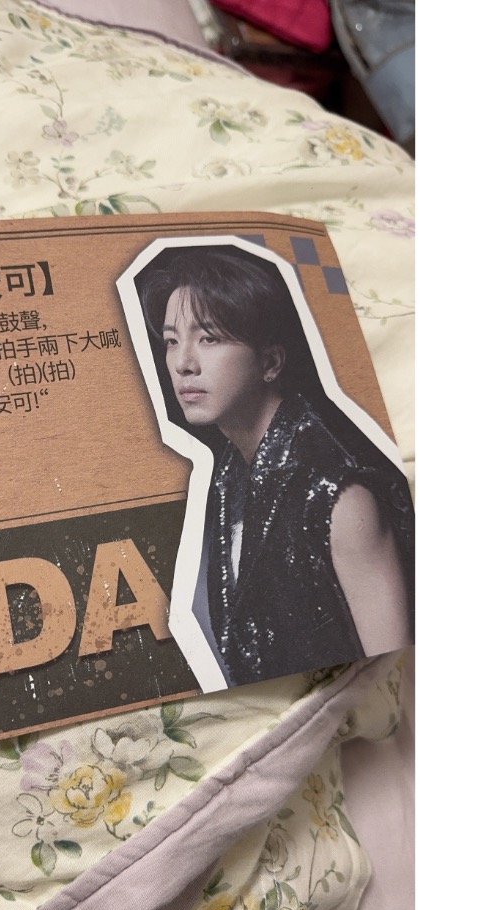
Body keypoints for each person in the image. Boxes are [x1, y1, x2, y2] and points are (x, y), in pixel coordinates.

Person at [135, 245, 413, 686]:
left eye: (209, 338)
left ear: (270, 362)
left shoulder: (339, 495)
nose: (184, 363)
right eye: (172, 341)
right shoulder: (229, 478)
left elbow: (396, 676)